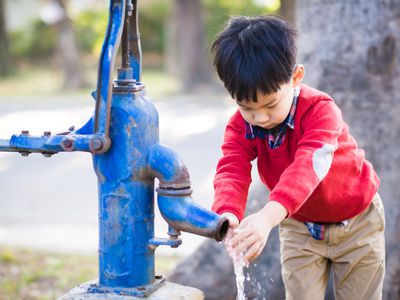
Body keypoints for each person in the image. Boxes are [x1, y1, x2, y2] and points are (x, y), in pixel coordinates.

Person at [211, 15, 385, 300]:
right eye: (246, 107)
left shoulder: (320, 111)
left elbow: (309, 166)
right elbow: (232, 168)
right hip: (299, 226)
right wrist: (228, 213)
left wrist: (267, 218)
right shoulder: (241, 125)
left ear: (295, 77)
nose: (260, 117)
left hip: (357, 222)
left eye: (270, 105)